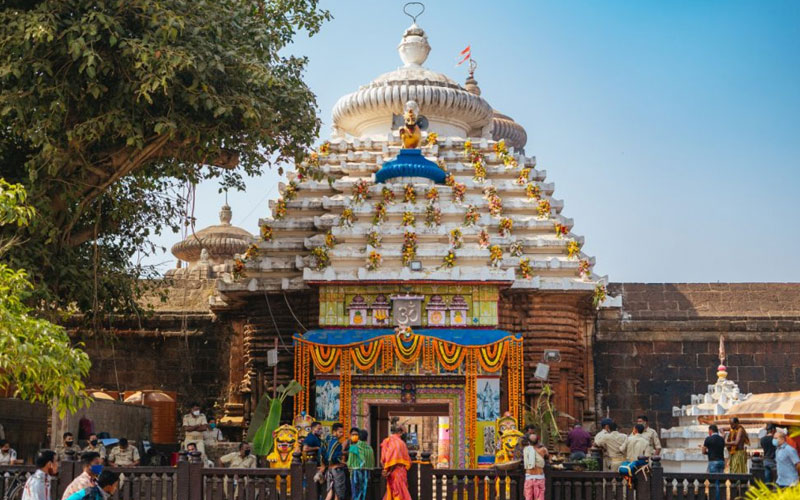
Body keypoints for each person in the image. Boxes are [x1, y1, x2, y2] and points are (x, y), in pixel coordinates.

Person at [380, 424, 411, 500]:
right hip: (400, 472)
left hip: (392, 472)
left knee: (393, 492)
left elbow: (383, 459)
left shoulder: (387, 441)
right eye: (404, 432)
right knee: (400, 493)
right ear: (400, 432)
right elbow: (408, 461)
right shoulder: (402, 443)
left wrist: (386, 471)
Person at [323, 423, 349, 500]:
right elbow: (333, 457)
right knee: (339, 492)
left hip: (329, 469)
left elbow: (322, 452)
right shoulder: (337, 444)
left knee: (330, 490)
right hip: (337, 469)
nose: (342, 434)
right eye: (340, 432)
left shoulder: (327, 439)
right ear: (334, 431)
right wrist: (342, 462)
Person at [348, 428, 374, 500]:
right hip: (366, 474)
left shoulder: (353, 447)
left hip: (355, 474)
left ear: (358, 437)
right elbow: (372, 463)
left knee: (355, 494)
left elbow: (349, 463)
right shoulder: (370, 449)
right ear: (366, 438)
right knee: (364, 493)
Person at [523, 434, 548, 500]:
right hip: (539, 477)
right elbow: (547, 456)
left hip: (529, 478)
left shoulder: (525, 450)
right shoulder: (543, 450)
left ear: (528, 442)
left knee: (528, 497)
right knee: (540, 498)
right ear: (538, 441)